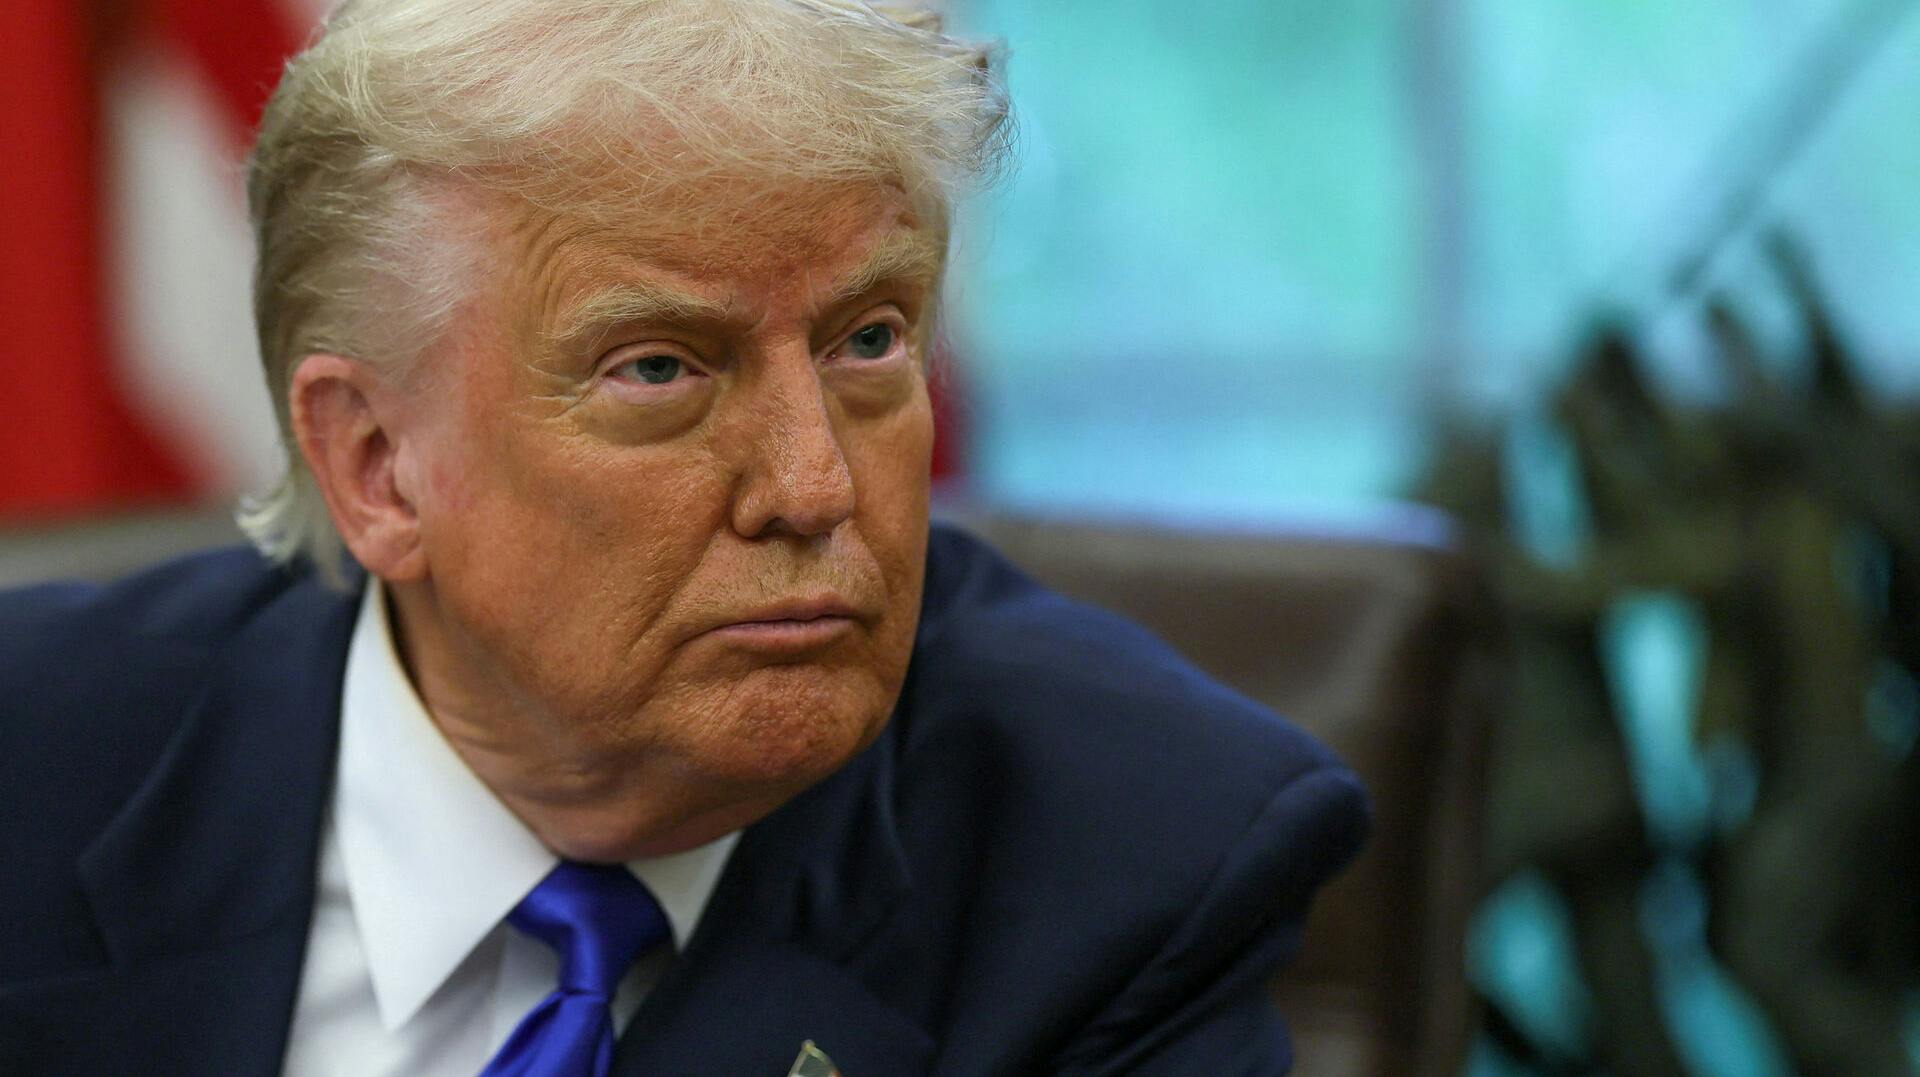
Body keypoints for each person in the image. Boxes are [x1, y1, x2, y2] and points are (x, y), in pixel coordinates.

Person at [0, 2, 1367, 1074]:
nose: (814, 483)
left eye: (870, 340)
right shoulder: (35, 766)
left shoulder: (1130, 858)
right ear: (378, 466)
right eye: (660, 368)